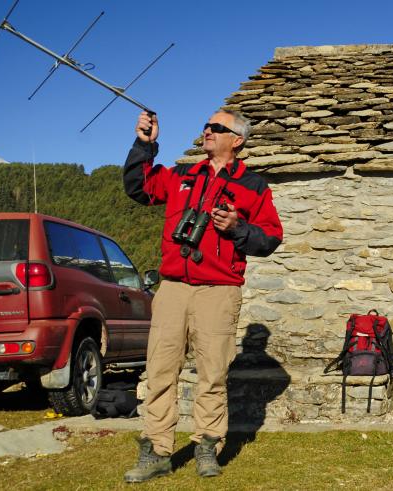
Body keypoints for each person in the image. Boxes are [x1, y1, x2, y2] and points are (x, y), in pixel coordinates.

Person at [121, 109, 283, 483]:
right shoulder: (181, 175)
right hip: (174, 288)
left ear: (236, 140)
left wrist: (238, 228)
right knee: (160, 371)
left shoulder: (254, 185)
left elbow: (271, 238)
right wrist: (144, 145)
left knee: (212, 374)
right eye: (206, 126)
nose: (207, 131)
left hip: (219, 291)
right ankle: (156, 452)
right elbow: (139, 188)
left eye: (216, 128)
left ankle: (206, 447)